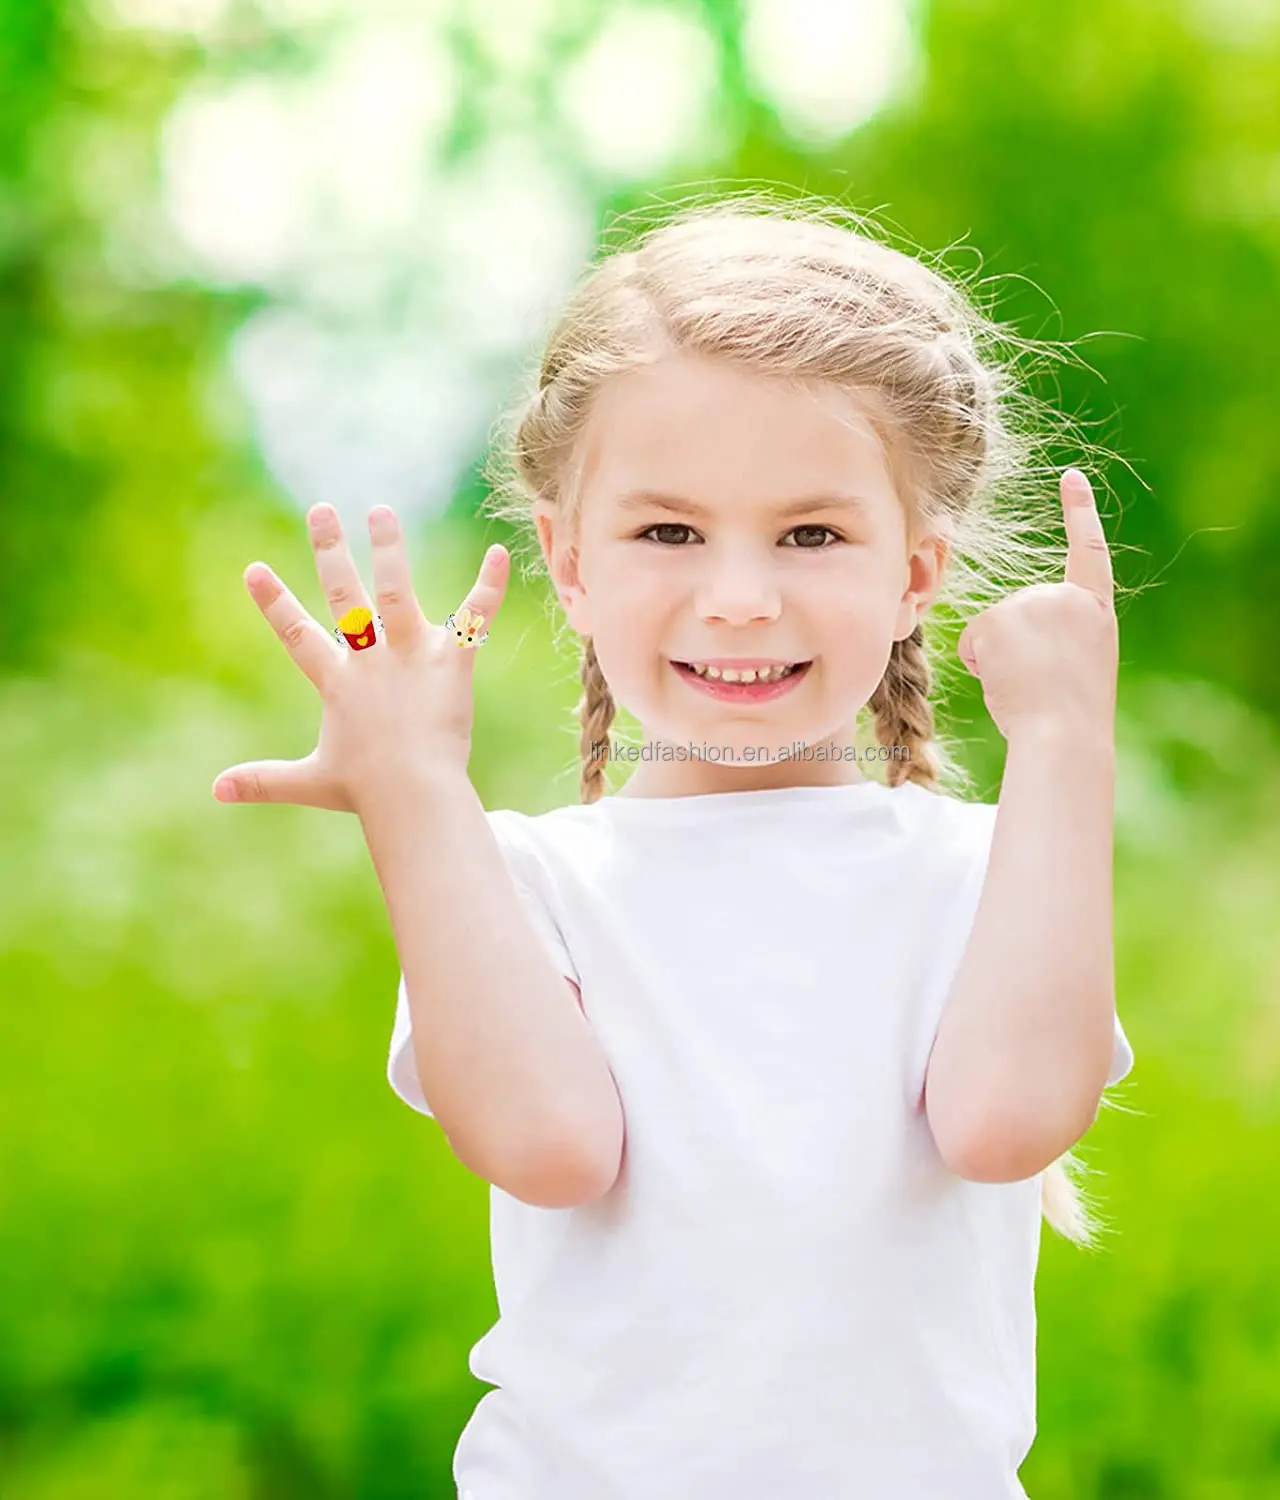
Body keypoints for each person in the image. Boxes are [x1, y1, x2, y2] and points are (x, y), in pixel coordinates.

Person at [212, 193, 1136, 1500]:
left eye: (812, 534)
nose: (741, 597)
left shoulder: (986, 869)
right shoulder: (525, 880)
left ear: (917, 574)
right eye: (668, 532)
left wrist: (1065, 743)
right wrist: (413, 789)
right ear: (568, 563)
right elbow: (547, 1145)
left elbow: (1007, 1122)